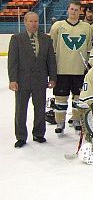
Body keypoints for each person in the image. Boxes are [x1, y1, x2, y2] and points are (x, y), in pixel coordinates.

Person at [8, 12, 57, 148]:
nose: (34, 24)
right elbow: (12, 61)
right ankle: (21, 136)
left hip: (40, 80)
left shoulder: (46, 39)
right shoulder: (17, 38)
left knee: (40, 109)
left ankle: (39, 133)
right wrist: (13, 79)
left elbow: (51, 61)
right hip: (22, 81)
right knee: (20, 109)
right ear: (25, 22)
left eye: (36, 21)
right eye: (31, 21)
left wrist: (52, 77)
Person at [50, 0, 92, 134]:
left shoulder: (86, 27)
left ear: (80, 12)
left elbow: (89, 48)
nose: (74, 12)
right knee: (60, 98)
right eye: (72, 9)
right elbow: (53, 48)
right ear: (68, 10)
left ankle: (76, 119)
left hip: (80, 70)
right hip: (62, 69)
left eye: (76, 10)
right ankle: (60, 122)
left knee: (78, 97)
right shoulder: (58, 26)